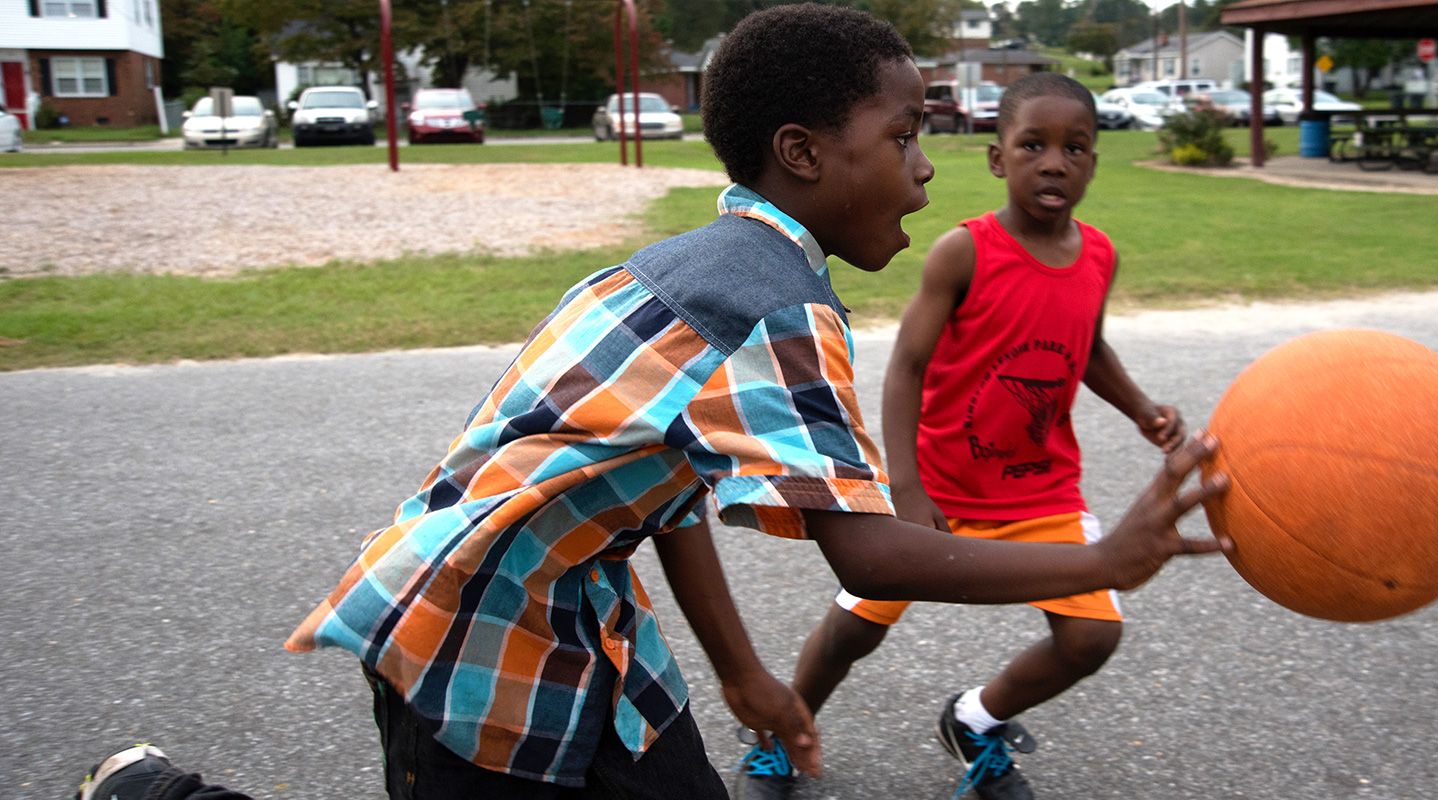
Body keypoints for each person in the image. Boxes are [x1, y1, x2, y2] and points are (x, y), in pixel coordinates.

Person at [77, 8, 1230, 800]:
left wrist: (737, 669)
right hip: (468, 630)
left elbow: (672, 484)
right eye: (904, 137)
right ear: (802, 154)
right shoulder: (778, 306)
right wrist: (1111, 556)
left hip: (575, 609)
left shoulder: (703, 259)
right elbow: (873, 556)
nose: (927, 167)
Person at [734, 73, 1187, 800]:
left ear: (1095, 163)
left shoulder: (1098, 256)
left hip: (1042, 492)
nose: (1055, 162)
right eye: (1033, 144)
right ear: (998, 158)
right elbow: (907, 367)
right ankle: (783, 735)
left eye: (1076, 148)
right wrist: (906, 487)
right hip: (938, 487)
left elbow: (1089, 344)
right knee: (854, 628)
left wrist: (1139, 407)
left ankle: (975, 721)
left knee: (1092, 636)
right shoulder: (964, 252)